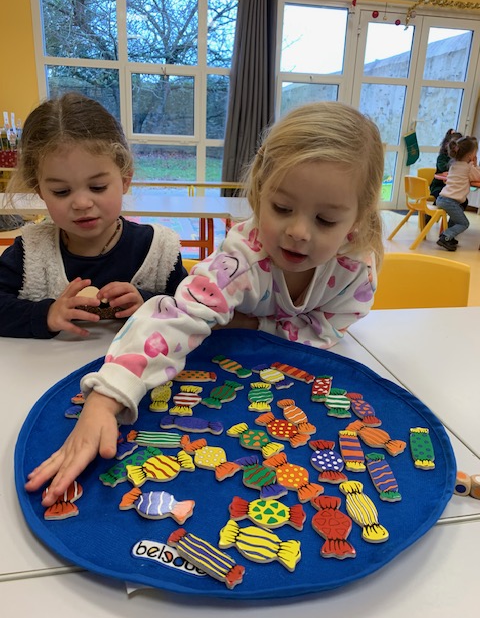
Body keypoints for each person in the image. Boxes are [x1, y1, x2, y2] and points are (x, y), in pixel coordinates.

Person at [25, 101, 385, 506]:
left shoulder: (356, 269)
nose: (298, 232)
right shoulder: (239, 262)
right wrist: (106, 399)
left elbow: (330, 327)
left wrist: (255, 327)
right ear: (259, 192)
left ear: (357, 219)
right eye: (282, 208)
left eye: (326, 220)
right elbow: (174, 318)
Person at [0, 93, 187, 338]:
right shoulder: (30, 252)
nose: (82, 203)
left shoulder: (159, 251)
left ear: (125, 180)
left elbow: (193, 308)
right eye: (61, 191)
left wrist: (150, 303)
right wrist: (46, 314)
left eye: (97, 187)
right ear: (40, 191)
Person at [436, 135, 480, 252]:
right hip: (451, 201)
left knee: (457, 213)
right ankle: (445, 236)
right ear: (470, 155)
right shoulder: (468, 168)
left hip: (442, 198)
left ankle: (449, 237)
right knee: (464, 223)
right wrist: (475, 165)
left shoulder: (453, 165)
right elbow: (478, 176)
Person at [429, 128, 463, 202]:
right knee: (443, 197)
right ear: (447, 145)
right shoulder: (442, 157)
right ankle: (436, 208)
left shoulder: (460, 159)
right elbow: (443, 168)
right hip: (438, 187)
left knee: (463, 201)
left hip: (452, 188)